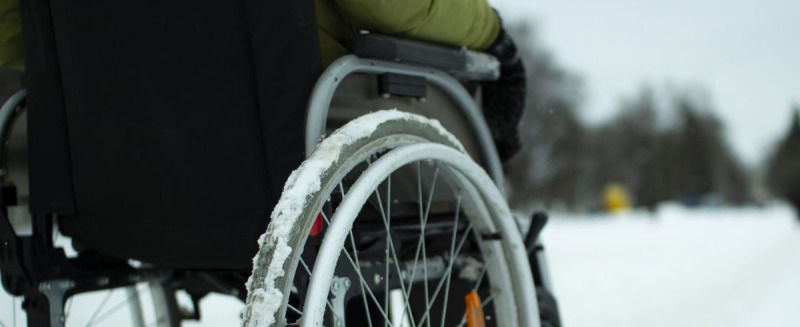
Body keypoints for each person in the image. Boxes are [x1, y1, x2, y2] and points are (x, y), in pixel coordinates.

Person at [0, 0, 525, 160]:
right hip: (273, 149)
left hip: (114, 171)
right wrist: (492, 34)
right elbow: (388, 7)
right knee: (454, 183)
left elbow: (11, 34)